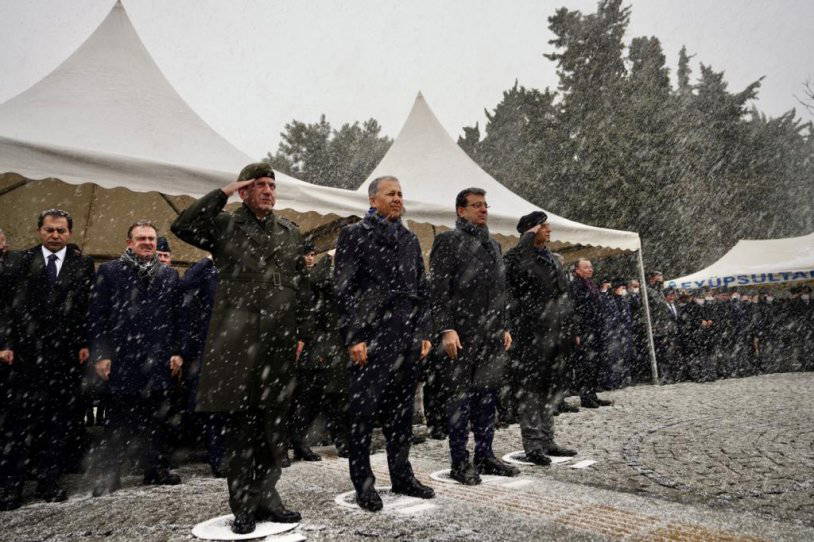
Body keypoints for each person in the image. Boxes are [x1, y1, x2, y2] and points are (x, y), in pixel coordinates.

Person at [171, 163, 309, 534]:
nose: (267, 190)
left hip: (278, 344)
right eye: (259, 185)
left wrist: (301, 333)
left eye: (271, 185)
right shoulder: (224, 225)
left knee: (272, 429)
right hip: (238, 342)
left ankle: (269, 498)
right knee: (241, 431)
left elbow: (301, 286)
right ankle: (244, 505)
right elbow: (182, 225)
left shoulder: (289, 232)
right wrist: (224, 192)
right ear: (246, 191)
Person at [334, 175, 434, 511]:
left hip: (405, 338)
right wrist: (355, 336)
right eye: (391, 193)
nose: (398, 198)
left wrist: (422, 332)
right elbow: (344, 289)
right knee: (362, 416)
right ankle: (364, 484)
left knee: (401, 415)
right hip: (370, 339)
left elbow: (422, 289)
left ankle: (402, 476)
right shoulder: (353, 235)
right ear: (373, 200)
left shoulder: (408, 238)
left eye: (401, 194)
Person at [0, 210, 95, 510]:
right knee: (17, 425)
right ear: (39, 231)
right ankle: (11, 486)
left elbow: (86, 308)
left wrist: (85, 343)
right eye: (50, 230)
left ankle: (49, 481)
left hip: (65, 358)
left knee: (57, 424)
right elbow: (3, 306)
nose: (55, 235)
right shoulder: (18, 261)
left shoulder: (82, 264)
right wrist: (5, 342)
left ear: (69, 233)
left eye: (61, 230)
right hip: (25, 357)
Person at [429, 187, 518, 485]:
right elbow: (439, 291)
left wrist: (503, 325)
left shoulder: (493, 245)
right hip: (462, 335)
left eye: (485, 205)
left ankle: (485, 455)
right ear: (460, 211)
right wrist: (447, 329)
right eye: (476, 205)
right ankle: (459, 461)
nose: (483, 210)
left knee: (487, 398)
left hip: (491, 334)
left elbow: (499, 291)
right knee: (459, 401)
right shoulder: (447, 241)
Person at [88, 220, 184, 497]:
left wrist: (178, 352)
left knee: (157, 419)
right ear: (129, 242)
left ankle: (156, 469)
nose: (147, 243)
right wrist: (101, 354)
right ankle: (110, 473)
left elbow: (178, 318)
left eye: (151, 239)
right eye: (141, 238)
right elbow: (97, 316)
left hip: (159, 359)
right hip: (122, 358)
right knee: (118, 420)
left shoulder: (168, 275)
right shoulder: (109, 271)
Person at [504, 212, 578, 466]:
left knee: (549, 389)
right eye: (543, 227)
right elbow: (512, 272)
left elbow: (564, 297)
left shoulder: (552, 259)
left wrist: (570, 329)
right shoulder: (517, 257)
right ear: (530, 231)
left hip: (554, 333)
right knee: (531, 391)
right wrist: (525, 242)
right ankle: (533, 444)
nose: (548, 231)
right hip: (529, 334)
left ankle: (548, 440)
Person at [288, 245, 351, 461]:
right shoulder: (308, 278)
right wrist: (329, 256)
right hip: (317, 344)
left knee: (338, 399)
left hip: (336, 345)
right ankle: (297, 442)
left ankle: (343, 442)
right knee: (309, 400)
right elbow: (317, 279)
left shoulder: (341, 277)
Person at [180, 255, 226, 477]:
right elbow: (186, 283)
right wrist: (208, 259)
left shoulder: (242, 269)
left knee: (231, 407)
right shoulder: (206, 270)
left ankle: (228, 454)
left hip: (236, 346)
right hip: (208, 346)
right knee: (214, 406)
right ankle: (218, 456)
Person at [570, 259, 612, 408]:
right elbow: (574, 310)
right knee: (586, 365)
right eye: (586, 267)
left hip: (595, 328)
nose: (590, 269)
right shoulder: (576, 285)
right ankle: (586, 397)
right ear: (577, 270)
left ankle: (592, 393)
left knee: (595, 364)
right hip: (585, 329)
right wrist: (576, 332)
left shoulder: (591, 284)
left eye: (591, 266)